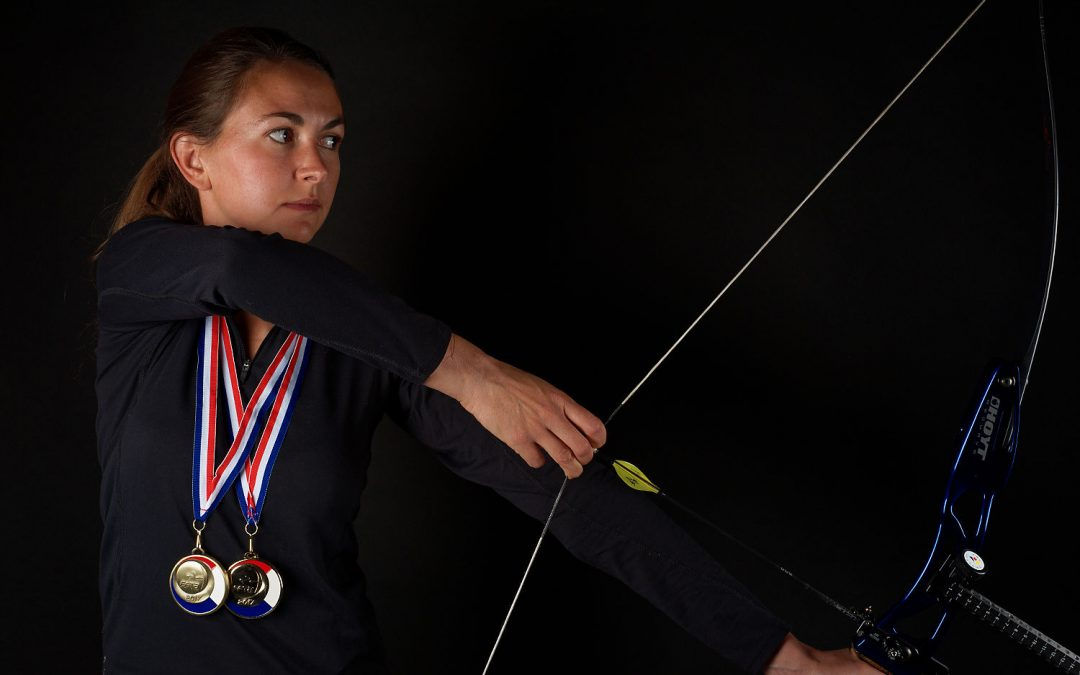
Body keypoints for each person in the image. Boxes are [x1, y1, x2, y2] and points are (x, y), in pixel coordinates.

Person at [91, 26, 877, 674]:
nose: (316, 166)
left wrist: (787, 658)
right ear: (192, 159)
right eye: (281, 134)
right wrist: (472, 370)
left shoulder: (368, 331)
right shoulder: (142, 271)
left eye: (332, 140)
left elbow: (566, 493)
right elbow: (237, 265)